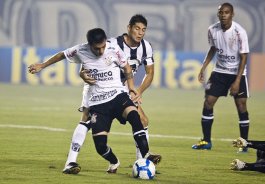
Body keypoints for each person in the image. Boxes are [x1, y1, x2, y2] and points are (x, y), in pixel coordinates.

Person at [28, 28, 161, 174]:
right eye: (97, 48)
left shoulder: (113, 48)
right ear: (89, 45)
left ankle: (146, 154)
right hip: (98, 102)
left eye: (103, 46)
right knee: (100, 146)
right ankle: (114, 161)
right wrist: (42, 65)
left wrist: (131, 88)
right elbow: (62, 55)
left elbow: (126, 67)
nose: (101, 51)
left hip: (117, 96)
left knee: (135, 117)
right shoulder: (80, 50)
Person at [62, 14, 156, 174]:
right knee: (86, 121)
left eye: (143, 30)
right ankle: (71, 161)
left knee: (142, 120)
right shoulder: (111, 43)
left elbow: (150, 72)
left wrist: (137, 91)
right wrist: (82, 74)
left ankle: (144, 163)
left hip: (121, 88)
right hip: (98, 87)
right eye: (137, 29)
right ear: (129, 28)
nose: (140, 33)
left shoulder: (146, 47)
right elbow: (89, 60)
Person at [191, 2, 250, 152]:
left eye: (226, 13)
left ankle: (244, 144)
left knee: (241, 106)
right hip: (220, 72)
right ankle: (206, 141)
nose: (223, 15)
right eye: (221, 13)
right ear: (218, 14)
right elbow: (213, 48)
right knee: (208, 103)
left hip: (237, 73)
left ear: (232, 14)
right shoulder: (212, 30)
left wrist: (237, 81)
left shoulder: (239, 32)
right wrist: (203, 67)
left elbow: (244, 57)